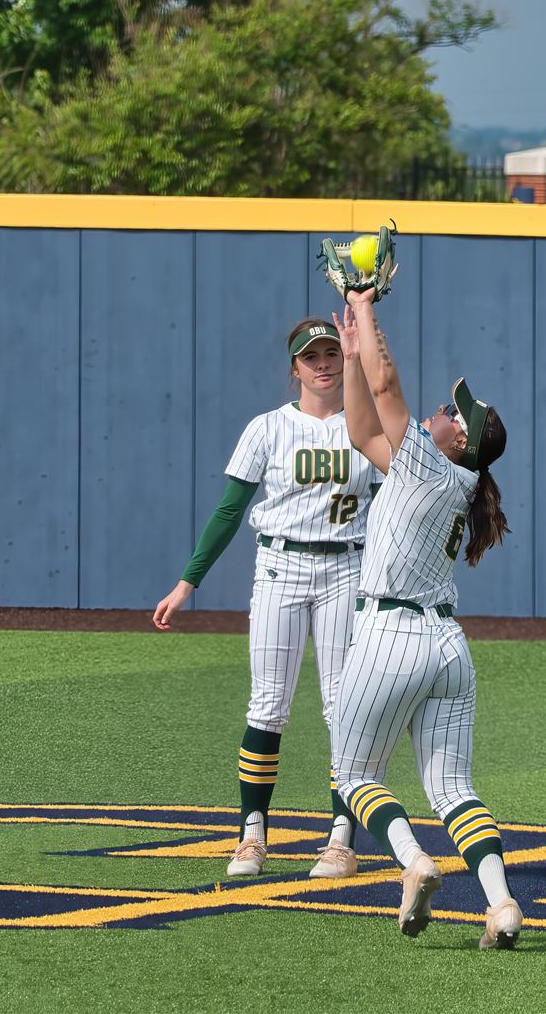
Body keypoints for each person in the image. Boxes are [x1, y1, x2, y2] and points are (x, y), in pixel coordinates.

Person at [328, 288, 523, 950]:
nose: (440, 412)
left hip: (391, 636)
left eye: (451, 413)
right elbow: (359, 428)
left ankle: (412, 862)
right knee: (453, 788)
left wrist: (362, 304)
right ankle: (500, 906)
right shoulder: (442, 479)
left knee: (354, 776)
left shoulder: (424, 463)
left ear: (459, 440)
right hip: (449, 649)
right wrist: (352, 352)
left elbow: (386, 388)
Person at [152, 318, 378, 881]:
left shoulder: (368, 427)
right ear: (293, 369)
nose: (323, 363)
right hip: (279, 566)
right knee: (267, 705)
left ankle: (340, 839)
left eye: (331, 352)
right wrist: (189, 581)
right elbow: (230, 509)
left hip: (347, 567)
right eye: (311, 356)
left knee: (342, 710)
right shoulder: (268, 428)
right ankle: (253, 835)